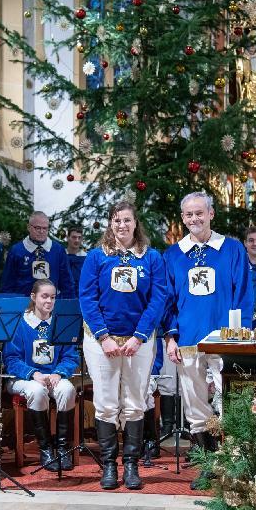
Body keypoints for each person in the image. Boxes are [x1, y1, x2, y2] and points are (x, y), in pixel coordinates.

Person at [163, 192, 253, 489]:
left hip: (225, 339)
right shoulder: (173, 255)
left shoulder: (232, 250)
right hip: (188, 341)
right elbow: (168, 301)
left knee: (229, 404)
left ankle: (234, 464)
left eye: (199, 213)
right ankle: (207, 465)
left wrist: (242, 334)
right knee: (195, 407)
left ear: (211, 214)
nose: (194, 219)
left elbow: (243, 294)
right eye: (188, 215)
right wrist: (171, 336)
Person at [79, 201, 168, 490]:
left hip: (138, 342)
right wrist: (104, 337)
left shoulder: (151, 257)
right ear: (110, 223)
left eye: (127, 220)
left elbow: (158, 298)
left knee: (134, 403)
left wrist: (139, 336)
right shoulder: (96, 257)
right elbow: (87, 298)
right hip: (100, 341)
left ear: (135, 223)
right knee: (105, 404)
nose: (121, 225)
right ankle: (108, 466)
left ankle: (131, 465)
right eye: (116, 220)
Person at [4, 279, 78, 471]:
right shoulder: (20, 324)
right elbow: (11, 359)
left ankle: (62, 448)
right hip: (23, 378)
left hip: (53, 376)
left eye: (53, 297)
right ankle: (45, 449)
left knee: (68, 390)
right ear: (33, 297)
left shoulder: (61, 323)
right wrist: (33, 373)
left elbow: (70, 356)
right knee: (37, 391)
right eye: (44, 296)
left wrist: (59, 373)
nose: (49, 301)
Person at [1, 211, 74, 298]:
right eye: (37, 228)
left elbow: (67, 282)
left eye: (45, 228)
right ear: (28, 227)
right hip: (23, 305)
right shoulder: (16, 251)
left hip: (51, 305)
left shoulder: (58, 250)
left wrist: (68, 307)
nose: (41, 231)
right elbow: (7, 284)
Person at [66, 226, 87, 297]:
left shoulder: (86, 258)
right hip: (63, 295)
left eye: (79, 238)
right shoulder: (61, 256)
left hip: (81, 294)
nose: (77, 240)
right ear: (67, 238)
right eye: (74, 237)